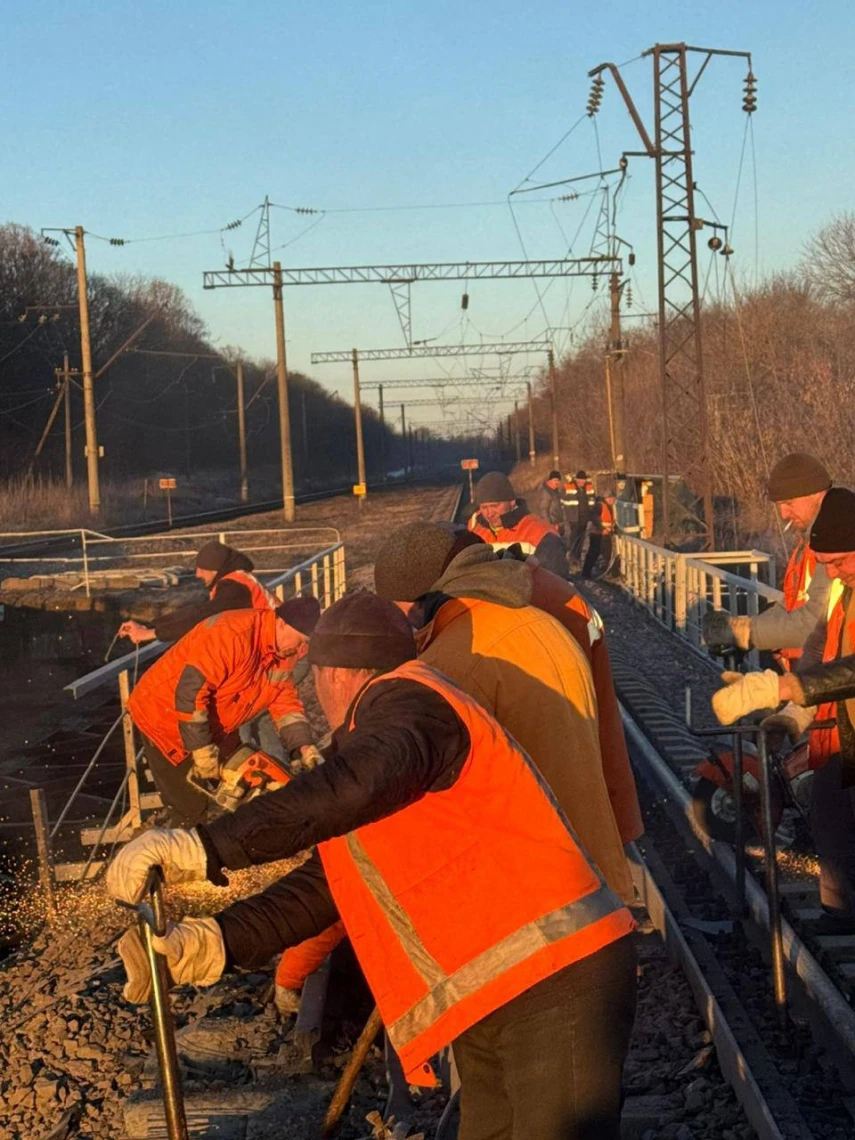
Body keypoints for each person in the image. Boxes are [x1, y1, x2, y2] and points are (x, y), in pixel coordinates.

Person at [107, 593, 637, 1140]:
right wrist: (218, 940)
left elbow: (358, 782)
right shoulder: (385, 739)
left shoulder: (414, 702)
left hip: (558, 978)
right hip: (501, 986)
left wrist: (205, 848)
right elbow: (329, 885)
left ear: (334, 675)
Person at [374, 521, 634, 895]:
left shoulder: (460, 659)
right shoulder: (539, 618)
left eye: (401, 614)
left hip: (537, 894)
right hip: (588, 870)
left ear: (420, 601)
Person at [711, 487, 855, 933]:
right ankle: (841, 913)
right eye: (828, 563)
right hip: (846, 727)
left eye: (840, 561)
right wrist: (790, 717)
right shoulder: (843, 591)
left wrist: (785, 684)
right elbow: (824, 652)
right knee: (830, 806)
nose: (833, 572)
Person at [126, 597, 322, 827]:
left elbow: (285, 701)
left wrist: (303, 746)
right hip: (162, 714)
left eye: (305, 645)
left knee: (253, 778)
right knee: (189, 806)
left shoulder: (285, 650)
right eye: (300, 642)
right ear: (281, 623)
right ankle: (177, 854)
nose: (300, 651)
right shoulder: (230, 634)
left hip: (217, 720)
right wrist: (202, 751)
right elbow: (191, 694)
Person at [703, 453, 832, 667]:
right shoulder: (808, 543)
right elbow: (790, 605)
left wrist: (747, 633)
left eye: (789, 503)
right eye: (780, 505)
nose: (783, 514)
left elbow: (812, 622)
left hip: (830, 674)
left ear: (817, 494)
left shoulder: (834, 544)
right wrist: (743, 628)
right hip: (810, 675)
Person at [119, 540, 278, 646]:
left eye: (201, 569)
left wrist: (150, 634)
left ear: (215, 570)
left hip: (280, 649)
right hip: (272, 643)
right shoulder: (234, 581)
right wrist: (151, 625)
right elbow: (198, 610)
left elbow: (202, 618)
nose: (197, 574)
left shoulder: (234, 588)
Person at [467, 470, 567, 579]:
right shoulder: (474, 528)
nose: (489, 513)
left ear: (512, 502)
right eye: (484, 507)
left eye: (494, 506)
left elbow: (554, 585)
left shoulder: (543, 535)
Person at [562, 469, 595, 564]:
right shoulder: (569, 487)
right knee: (574, 537)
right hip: (574, 517)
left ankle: (578, 556)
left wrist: (591, 515)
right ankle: (572, 556)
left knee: (582, 537)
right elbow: (563, 502)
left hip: (585, 518)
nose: (581, 482)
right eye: (580, 480)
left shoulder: (589, 487)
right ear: (576, 480)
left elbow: (592, 501)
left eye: (583, 480)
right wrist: (567, 516)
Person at [582, 493, 617, 579]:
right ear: (608, 498)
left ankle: (608, 571)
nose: (613, 501)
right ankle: (586, 573)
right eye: (612, 499)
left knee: (605, 553)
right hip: (597, 533)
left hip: (603, 533)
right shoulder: (600, 505)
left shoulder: (608, 506)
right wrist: (602, 528)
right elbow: (594, 518)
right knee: (594, 553)